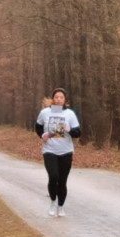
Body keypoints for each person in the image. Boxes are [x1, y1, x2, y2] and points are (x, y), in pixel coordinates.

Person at [34, 87, 81, 217]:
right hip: (49, 150)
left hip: (66, 151)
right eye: (56, 97)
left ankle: (60, 206)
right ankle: (53, 202)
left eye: (61, 97)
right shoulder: (45, 112)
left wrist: (69, 129)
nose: (59, 99)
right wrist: (43, 135)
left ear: (65, 100)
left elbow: (78, 133)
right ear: (53, 99)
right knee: (53, 176)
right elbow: (37, 127)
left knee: (62, 180)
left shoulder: (70, 114)